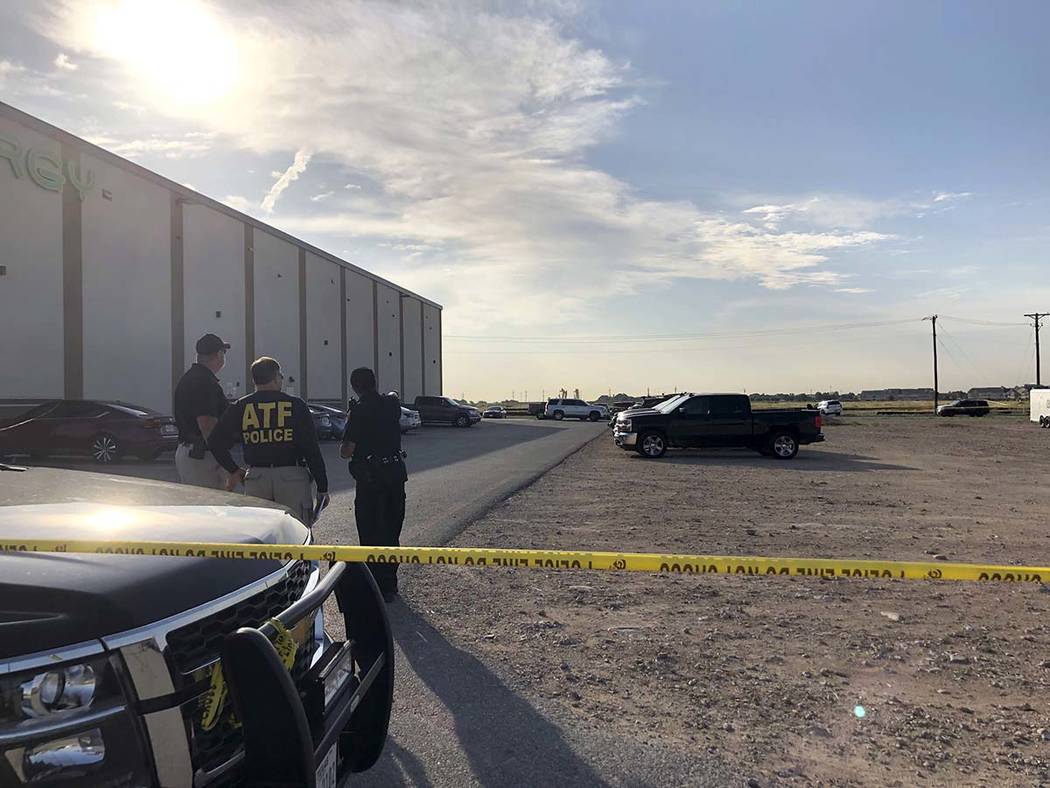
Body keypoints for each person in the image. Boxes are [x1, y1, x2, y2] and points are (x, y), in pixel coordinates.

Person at [208, 356, 329, 525]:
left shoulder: (241, 406)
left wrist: (233, 469)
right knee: (296, 535)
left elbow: (214, 441)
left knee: (261, 537)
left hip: (257, 478)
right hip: (292, 478)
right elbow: (311, 449)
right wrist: (322, 487)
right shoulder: (295, 405)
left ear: (254, 380)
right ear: (275, 377)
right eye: (280, 376)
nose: (281, 379)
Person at [341, 367, 406, 601]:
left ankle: (375, 586)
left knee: (369, 531)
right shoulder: (392, 406)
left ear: (354, 387)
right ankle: (390, 584)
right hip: (395, 475)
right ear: (374, 383)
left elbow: (346, 451)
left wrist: (351, 415)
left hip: (371, 479)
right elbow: (393, 395)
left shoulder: (359, 411)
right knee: (391, 530)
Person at [173, 333, 231, 489]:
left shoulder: (191, 378)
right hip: (201, 455)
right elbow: (207, 426)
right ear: (218, 354)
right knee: (210, 508)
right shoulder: (204, 382)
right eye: (223, 353)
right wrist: (227, 463)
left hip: (192, 452)